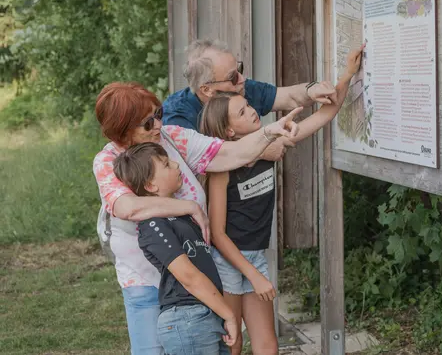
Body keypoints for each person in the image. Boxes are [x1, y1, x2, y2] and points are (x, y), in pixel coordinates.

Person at [92, 81, 300, 355]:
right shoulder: (108, 161)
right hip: (146, 282)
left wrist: (268, 133)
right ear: (121, 132)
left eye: (159, 113)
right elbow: (129, 207)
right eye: (146, 122)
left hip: (195, 283)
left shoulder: (172, 137)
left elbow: (230, 153)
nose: (157, 125)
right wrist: (188, 207)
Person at [199, 45, 364, 355]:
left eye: (248, 105)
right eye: (243, 112)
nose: (252, 111)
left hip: (255, 257)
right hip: (229, 262)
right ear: (230, 130)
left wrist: (348, 73)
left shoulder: (272, 143)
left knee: (268, 346)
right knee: (232, 344)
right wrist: (254, 276)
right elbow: (218, 235)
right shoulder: (222, 168)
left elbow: (326, 113)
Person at [113, 143, 237, 355]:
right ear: (151, 185)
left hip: (205, 314)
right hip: (188, 319)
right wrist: (229, 314)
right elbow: (188, 276)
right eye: (166, 164)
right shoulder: (153, 224)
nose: (176, 165)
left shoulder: (182, 217)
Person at [162, 39, 339, 161]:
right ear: (207, 89)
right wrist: (260, 149)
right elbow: (196, 159)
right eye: (232, 76)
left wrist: (313, 89)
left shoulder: (239, 87)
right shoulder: (176, 117)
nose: (242, 78)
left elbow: (289, 97)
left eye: (240, 68)